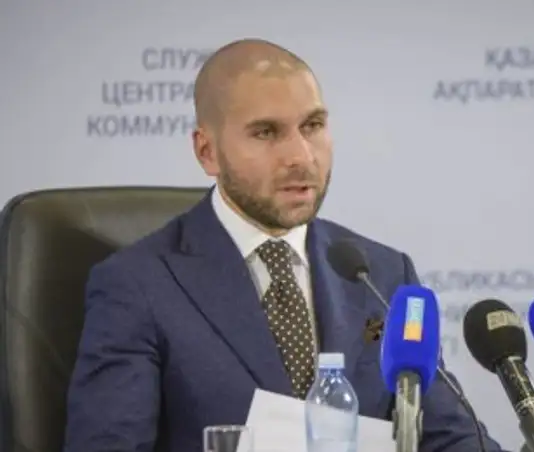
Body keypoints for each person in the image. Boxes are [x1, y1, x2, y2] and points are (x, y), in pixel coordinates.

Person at [63, 38, 506, 452]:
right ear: (207, 152)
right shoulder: (137, 285)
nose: (301, 156)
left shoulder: (382, 274)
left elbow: (451, 437)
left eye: (312, 126)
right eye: (266, 132)